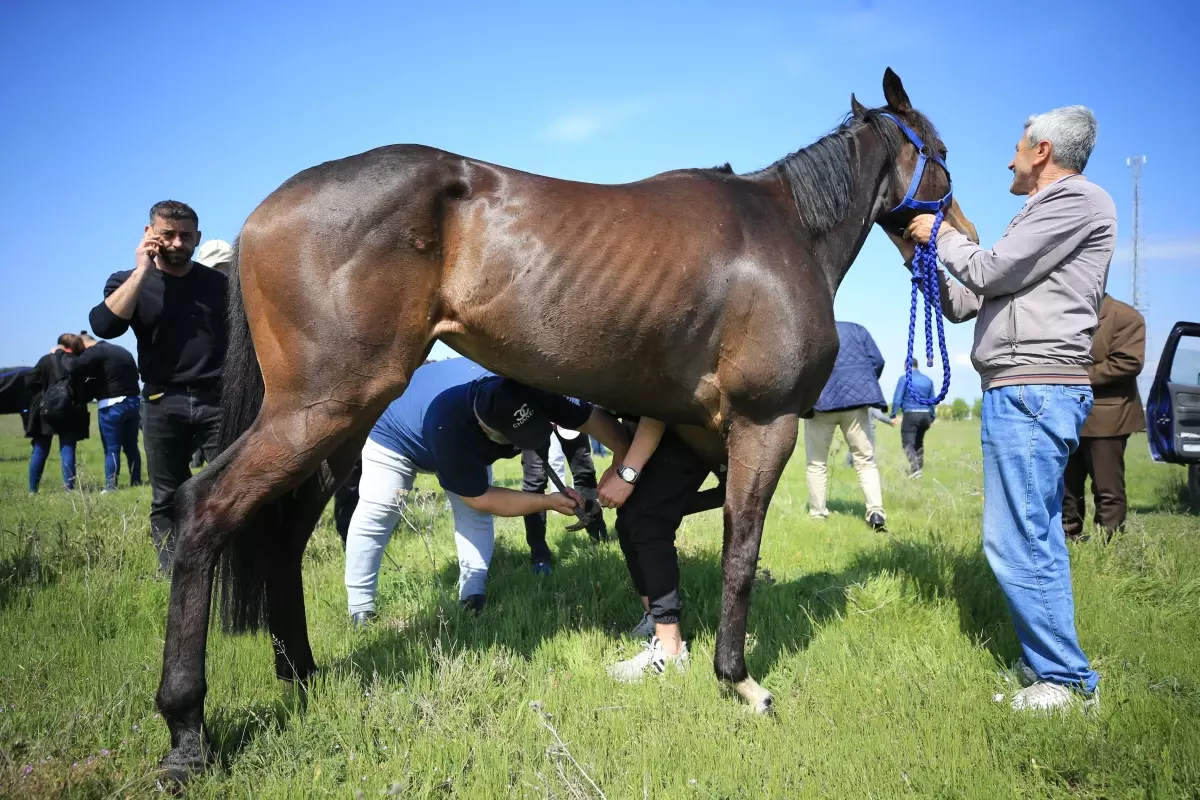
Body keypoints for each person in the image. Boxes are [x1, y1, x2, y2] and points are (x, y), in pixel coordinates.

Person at [906, 105, 1114, 712]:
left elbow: (992, 267)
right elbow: (969, 301)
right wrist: (916, 257)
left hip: (1033, 389)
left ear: (1043, 150)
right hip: (1023, 388)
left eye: (1018, 148)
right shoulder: (1043, 212)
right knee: (1036, 532)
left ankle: (1066, 682)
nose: (1010, 158)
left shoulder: (1077, 201)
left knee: (1015, 538)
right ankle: (1052, 667)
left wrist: (938, 234)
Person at [343, 358, 632, 625]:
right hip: (398, 434)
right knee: (380, 509)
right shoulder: (450, 426)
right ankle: (361, 607)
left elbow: (588, 417)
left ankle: (472, 596)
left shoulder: (531, 386)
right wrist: (547, 501)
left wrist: (622, 456)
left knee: (472, 518)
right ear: (485, 427)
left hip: (453, 428)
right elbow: (480, 499)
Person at [88, 201, 227, 574]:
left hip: (217, 401)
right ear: (150, 235)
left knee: (231, 486)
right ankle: (172, 572)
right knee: (167, 495)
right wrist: (142, 271)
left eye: (186, 235)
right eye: (169, 234)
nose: (178, 243)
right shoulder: (127, 281)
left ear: (198, 237)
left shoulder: (219, 285)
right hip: (161, 401)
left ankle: (231, 564)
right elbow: (104, 325)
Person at [602, 416, 716, 681]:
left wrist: (628, 474)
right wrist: (622, 462)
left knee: (648, 521)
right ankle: (655, 617)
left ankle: (670, 650)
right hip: (661, 429)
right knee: (629, 522)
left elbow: (657, 406)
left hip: (687, 427)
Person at [1063, 294, 1146, 541]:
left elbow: (1128, 362)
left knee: (1107, 490)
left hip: (1108, 418)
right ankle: (1068, 540)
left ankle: (1108, 546)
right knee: (1066, 488)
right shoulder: (1064, 313)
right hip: (1066, 416)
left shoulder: (1126, 317)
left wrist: (1075, 376)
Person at [804, 320, 888, 530]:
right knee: (866, 461)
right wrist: (861, 385)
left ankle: (818, 514)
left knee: (816, 463)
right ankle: (876, 512)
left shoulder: (814, 329)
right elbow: (877, 360)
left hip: (821, 403)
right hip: (856, 405)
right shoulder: (858, 329)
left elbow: (802, 367)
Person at [521, 424, 608, 570]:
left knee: (584, 471)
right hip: (533, 416)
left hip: (568, 412)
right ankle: (539, 553)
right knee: (534, 481)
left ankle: (598, 536)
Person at [25, 334, 91, 493]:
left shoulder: (46, 360)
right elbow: (85, 390)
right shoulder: (78, 362)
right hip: (70, 410)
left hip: (46, 410)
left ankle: (33, 491)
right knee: (68, 448)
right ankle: (69, 490)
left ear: (61, 345)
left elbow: (29, 382)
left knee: (40, 448)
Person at [77, 332, 142, 491]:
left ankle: (111, 486)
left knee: (112, 448)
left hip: (111, 404)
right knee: (132, 446)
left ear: (84, 344)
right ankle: (136, 481)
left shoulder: (94, 352)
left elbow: (77, 367)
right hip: (133, 402)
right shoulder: (121, 351)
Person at [891, 359, 938, 477]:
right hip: (925, 415)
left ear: (906, 365)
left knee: (907, 443)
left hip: (911, 414)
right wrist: (932, 417)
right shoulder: (928, 380)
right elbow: (932, 401)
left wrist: (893, 414)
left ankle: (916, 469)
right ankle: (918, 468)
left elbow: (897, 399)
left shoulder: (904, 378)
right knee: (919, 442)